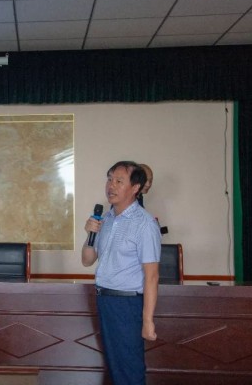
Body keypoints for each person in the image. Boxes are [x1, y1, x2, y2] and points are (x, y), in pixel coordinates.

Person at [82, 161, 161, 385]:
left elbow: (152, 276)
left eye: (119, 181)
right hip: (104, 300)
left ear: (135, 188)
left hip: (127, 304)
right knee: (115, 367)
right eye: (109, 180)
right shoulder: (105, 220)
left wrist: (147, 321)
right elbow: (87, 260)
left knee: (129, 368)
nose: (111, 186)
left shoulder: (144, 224)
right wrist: (89, 234)